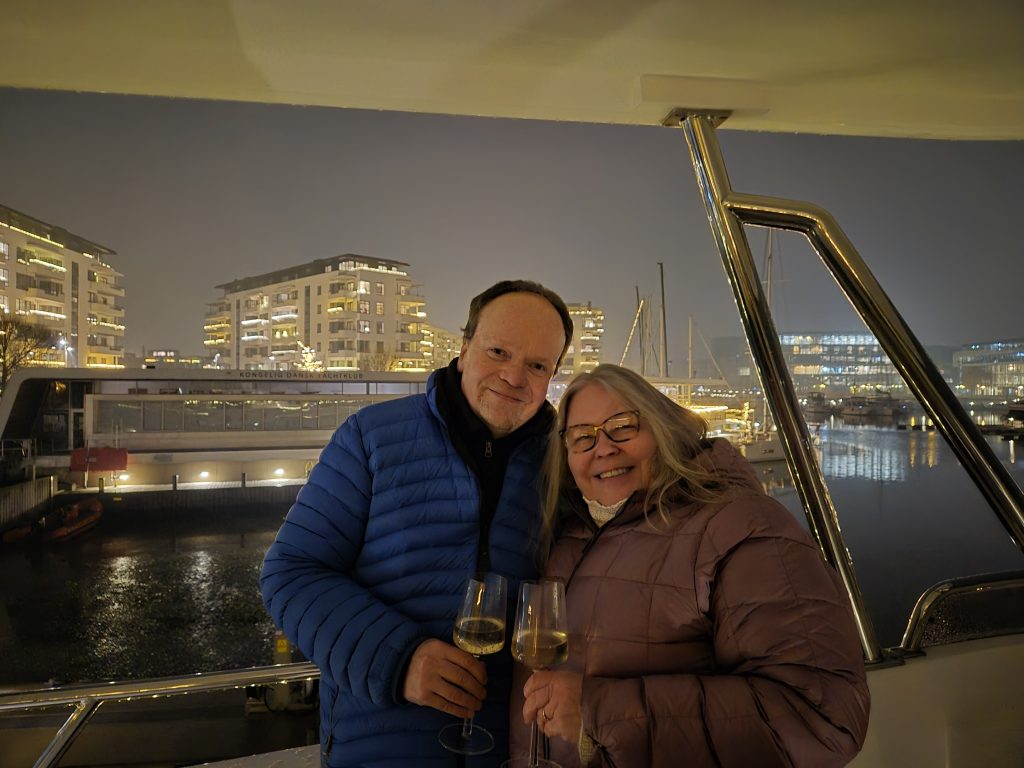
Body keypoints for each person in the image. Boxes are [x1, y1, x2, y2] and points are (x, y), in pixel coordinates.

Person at [260, 280, 573, 768]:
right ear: (464, 349)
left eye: (537, 365)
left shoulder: (563, 460)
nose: (514, 376)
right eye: (498, 352)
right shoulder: (371, 438)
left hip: (506, 750)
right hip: (379, 746)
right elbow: (290, 573)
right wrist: (398, 659)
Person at [512, 364, 870, 767]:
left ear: (663, 430)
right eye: (582, 437)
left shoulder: (742, 528)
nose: (603, 447)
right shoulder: (574, 535)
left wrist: (598, 711)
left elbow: (820, 718)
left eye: (623, 426)